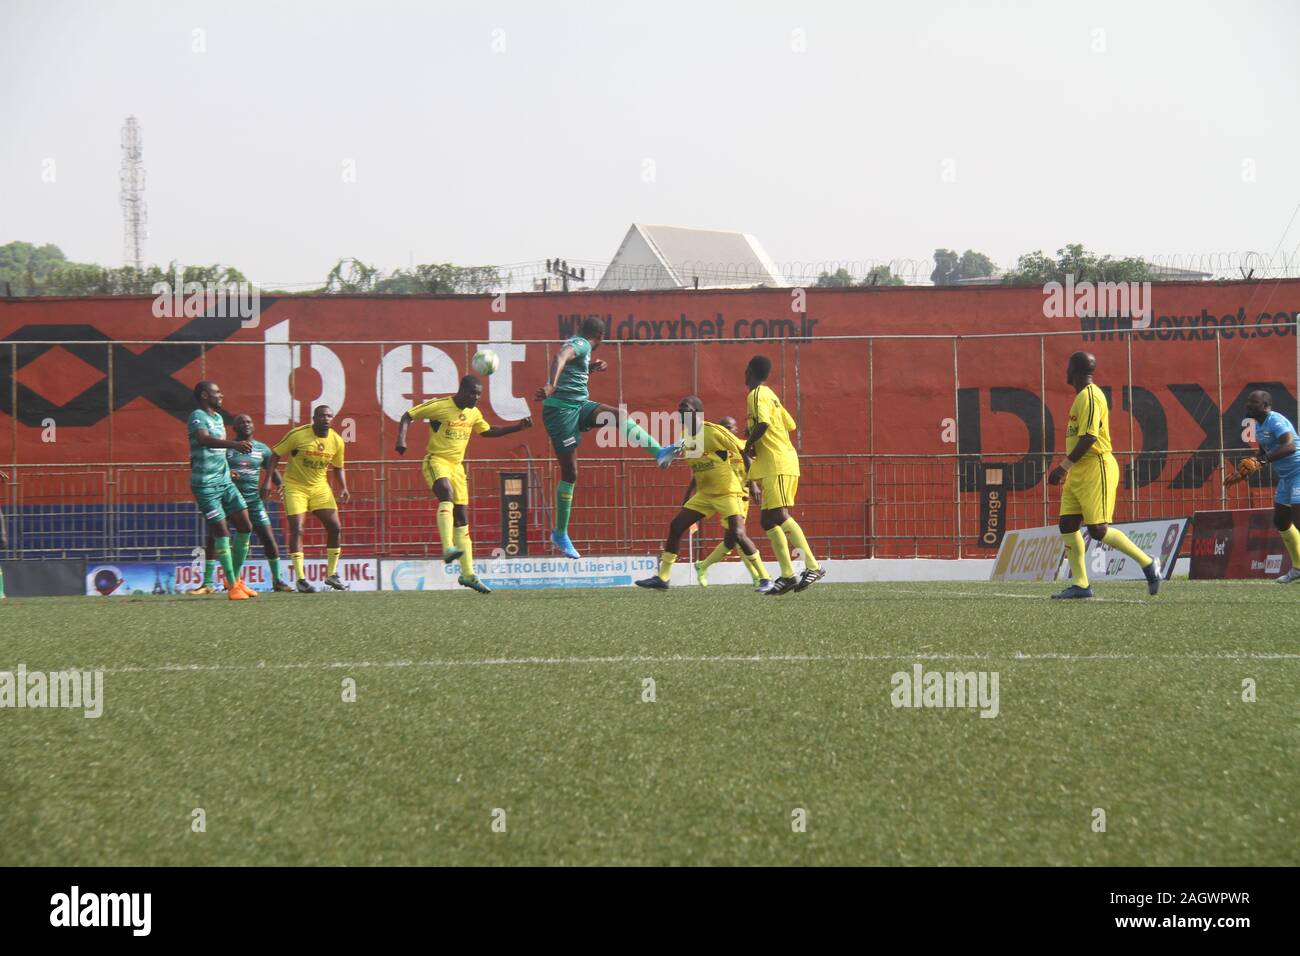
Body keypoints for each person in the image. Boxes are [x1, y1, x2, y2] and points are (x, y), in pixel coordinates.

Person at [535, 315, 676, 560]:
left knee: (618, 416)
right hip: (560, 411)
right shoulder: (582, 344)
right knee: (571, 473)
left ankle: (659, 452)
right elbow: (560, 357)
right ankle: (560, 533)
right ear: (600, 337)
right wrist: (551, 386)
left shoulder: (582, 348)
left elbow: (570, 365)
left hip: (578, 406)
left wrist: (589, 367)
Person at [396, 375, 533, 594]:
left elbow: (487, 431)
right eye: (473, 393)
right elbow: (407, 416)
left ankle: (468, 574)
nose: (476, 398)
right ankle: (448, 547)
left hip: (457, 467)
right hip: (436, 460)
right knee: (446, 495)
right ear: (461, 390)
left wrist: (517, 427)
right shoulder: (440, 406)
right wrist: (401, 439)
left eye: (479, 394)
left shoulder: (473, 413)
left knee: (462, 519)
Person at [1048, 351, 1161, 599]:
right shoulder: (1081, 397)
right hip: (1079, 471)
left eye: (1067, 367)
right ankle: (1081, 585)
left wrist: (1062, 467)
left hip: (1095, 467)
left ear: (1074, 370)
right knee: (1067, 524)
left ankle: (1148, 563)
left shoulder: (1090, 395)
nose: (1065, 372)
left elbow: (1089, 438)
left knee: (1098, 529)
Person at [636, 397, 764, 590]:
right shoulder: (685, 435)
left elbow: (744, 449)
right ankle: (663, 578)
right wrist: (687, 489)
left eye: (684, 408)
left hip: (727, 491)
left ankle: (764, 578)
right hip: (705, 494)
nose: (680, 411)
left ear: (696, 412)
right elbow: (699, 466)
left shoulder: (713, 431)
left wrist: (753, 483)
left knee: (737, 535)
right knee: (676, 526)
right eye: (679, 408)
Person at [743, 355, 824, 595]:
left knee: (778, 515)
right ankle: (788, 575)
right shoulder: (771, 396)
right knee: (767, 520)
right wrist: (756, 431)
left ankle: (813, 566)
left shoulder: (756, 394)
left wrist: (749, 442)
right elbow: (789, 424)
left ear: (749, 371)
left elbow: (765, 424)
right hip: (774, 464)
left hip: (778, 462)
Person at [190, 414, 293, 594]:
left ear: (253, 426)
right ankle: (207, 583)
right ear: (234, 429)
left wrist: (277, 486)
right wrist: (227, 474)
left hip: (253, 501)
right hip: (228, 498)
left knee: (268, 537)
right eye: (241, 422)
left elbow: (271, 469)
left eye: (248, 422)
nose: (245, 424)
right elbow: (212, 466)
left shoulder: (262, 449)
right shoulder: (225, 449)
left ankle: (277, 580)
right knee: (215, 537)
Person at [263, 404, 350, 593]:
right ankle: (301, 579)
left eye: (329, 416)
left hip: (320, 488)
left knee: (335, 527)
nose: (325, 419)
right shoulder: (298, 435)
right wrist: (268, 481)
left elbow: (338, 466)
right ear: (313, 418)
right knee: (298, 529)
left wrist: (343, 487)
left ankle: (332, 574)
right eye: (321, 416)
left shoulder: (336, 440)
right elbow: (275, 454)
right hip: (295, 487)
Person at [186, 381, 256, 601]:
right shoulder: (197, 416)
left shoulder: (218, 419)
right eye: (217, 392)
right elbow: (204, 440)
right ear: (206, 395)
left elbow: (217, 452)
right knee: (221, 532)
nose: (221, 395)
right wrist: (233, 445)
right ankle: (233, 586)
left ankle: (232, 578)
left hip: (225, 482)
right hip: (206, 486)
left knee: (246, 525)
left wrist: (228, 470)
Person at [691, 415, 771, 592]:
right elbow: (699, 473)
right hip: (728, 497)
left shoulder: (740, 445)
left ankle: (703, 565)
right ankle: (759, 577)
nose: (728, 430)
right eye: (725, 427)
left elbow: (752, 460)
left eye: (732, 427)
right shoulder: (715, 448)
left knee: (731, 540)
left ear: (736, 430)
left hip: (743, 497)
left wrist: (753, 484)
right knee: (739, 536)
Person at [1243, 389, 1300, 583]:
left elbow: (1290, 446)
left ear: (1266, 406)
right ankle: (1299, 567)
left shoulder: (1276, 420)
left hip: (1299, 472)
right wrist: (1250, 465)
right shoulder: (1258, 426)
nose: (1249, 405)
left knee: (1299, 519)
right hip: (1286, 478)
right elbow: (1263, 453)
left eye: (1254, 402)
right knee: (1281, 521)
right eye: (1249, 401)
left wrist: (1262, 461)